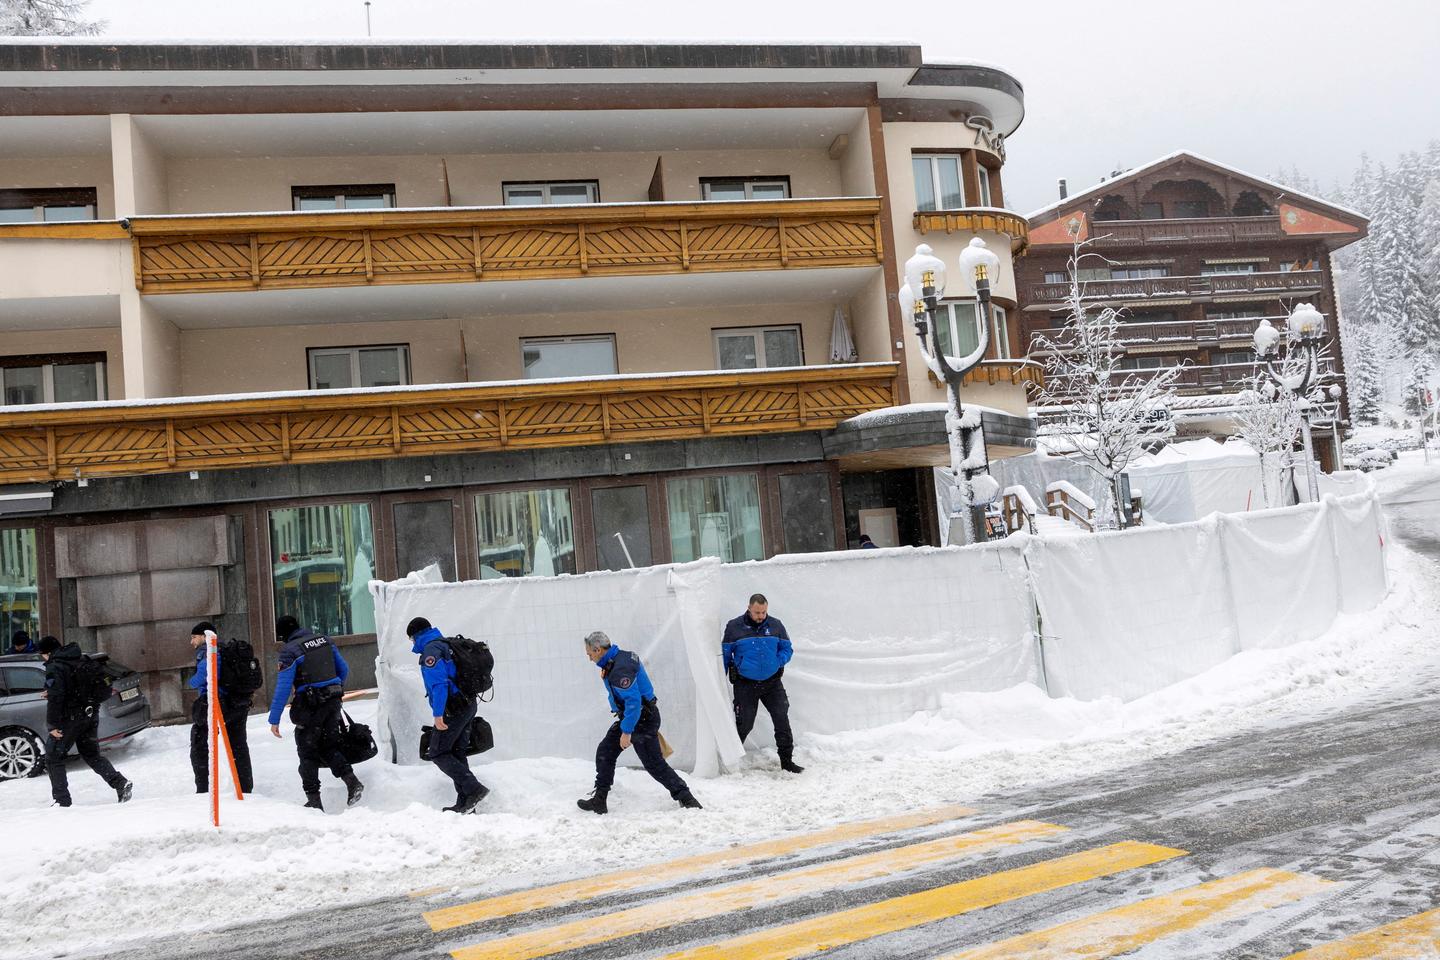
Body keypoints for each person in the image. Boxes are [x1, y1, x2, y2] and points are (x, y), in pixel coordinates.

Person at [577, 631, 701, 815]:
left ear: (598, 650)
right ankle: (599, 800)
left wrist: (626, 732)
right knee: (605, 752)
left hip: (641, 719)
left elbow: (634, 703)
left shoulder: (619, 669)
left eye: (590, 654)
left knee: (654, 764)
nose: (590, 658)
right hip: (633, 717)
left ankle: (687, 798)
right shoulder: (621, 657)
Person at [267, 615, 363, 811]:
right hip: (333, 700)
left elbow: (283, 687)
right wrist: (332, 688)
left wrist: (274, 718)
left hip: (310, 706)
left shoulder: (289, 651)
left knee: (307, 752)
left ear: (283, 634)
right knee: (329, 746)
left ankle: (314, 801)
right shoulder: (324, 640)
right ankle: (352, 782)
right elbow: (343, 669)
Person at [406, 616, 489, 814]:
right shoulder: (445, 643)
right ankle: (466, 802)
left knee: (438, 752)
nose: (411, 643)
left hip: (453, 707)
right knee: (457, 752)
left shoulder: (431, 651)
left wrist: (438, 715)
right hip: (468, 704)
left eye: (410, 639)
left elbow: (439, 685)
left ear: (416, 635)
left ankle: (474, 789)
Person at [37, 636, 132, 807]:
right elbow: (78, 687)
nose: (43, 658)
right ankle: (120, 783)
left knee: (53, 757)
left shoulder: (56, 666)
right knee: (91, 755)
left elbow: (58, 696)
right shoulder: (82, 659)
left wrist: (52, 725)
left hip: (69, 719)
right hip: (90, 715)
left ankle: (62, 802)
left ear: (48, 653)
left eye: (42, 654)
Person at [723, 593, 802, 774]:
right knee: (744, 724)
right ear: (749, 608)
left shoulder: (776, 625)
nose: (761, 616)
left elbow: (787, 648)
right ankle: (730, 762)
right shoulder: (734, 627)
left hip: (772, 683)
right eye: (757, 612)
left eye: (764, 612)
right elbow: (725, 654)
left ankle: (787, 761)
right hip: (745, 684)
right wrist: (724, 675)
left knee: (781, 718)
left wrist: (778, 661)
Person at [187, 621, 254, 795]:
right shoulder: (227, 650)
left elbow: (206, 675)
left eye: (194, 637)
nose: (192, 642)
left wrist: (191, 681)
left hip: (217, 703)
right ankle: (245, 788)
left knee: (199, 743)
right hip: (238, 703)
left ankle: (203, 789)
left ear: (205, 636)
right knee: (238, 745)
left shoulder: (209, 651)